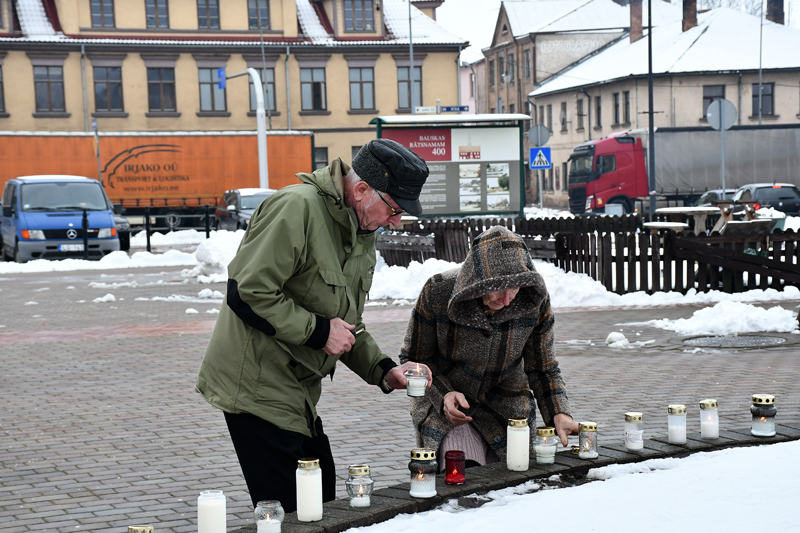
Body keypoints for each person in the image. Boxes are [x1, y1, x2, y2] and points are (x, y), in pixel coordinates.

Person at [196, 139, 432, 512]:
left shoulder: (360, 230)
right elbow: (246, 292)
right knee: (297, 510)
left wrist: (384, 371)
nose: (396, 221)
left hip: (297, 390)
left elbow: (347, 324)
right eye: (394, 209)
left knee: (320, 497)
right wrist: (320, 332)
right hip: (256, 384)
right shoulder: (296, 208)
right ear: (361, 189)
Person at [400, 225, 578, 468]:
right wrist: (443, 395)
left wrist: (559, 413)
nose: (506, 300)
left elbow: (543, 367)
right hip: (452, 409)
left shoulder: (534, 300)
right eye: (498, 289)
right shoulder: (438, 292)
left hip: (507, 407)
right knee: (461, 475)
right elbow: (414, 359)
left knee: (511, 484)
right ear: (477, 281)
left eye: (514, 288)